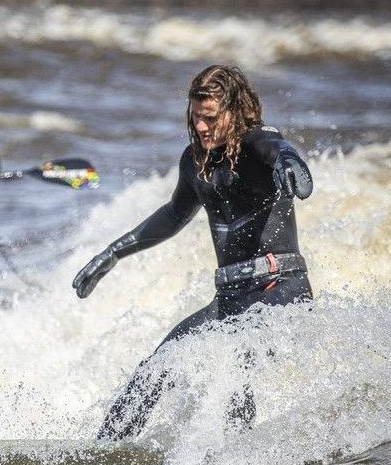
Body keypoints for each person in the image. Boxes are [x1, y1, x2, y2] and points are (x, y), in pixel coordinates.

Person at [73, 64, 314, 440]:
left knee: (239, 366)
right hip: (231, 297)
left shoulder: (255, 145)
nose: (201, 127)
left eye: (211, 118)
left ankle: (236, 464)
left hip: (280, 288)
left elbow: (275, 146)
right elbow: (173, 214)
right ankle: (101, 456)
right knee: (156, 368)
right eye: (196, 117)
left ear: (235, 112)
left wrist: (288, 159)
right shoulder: (195, 161)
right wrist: (113, 253)